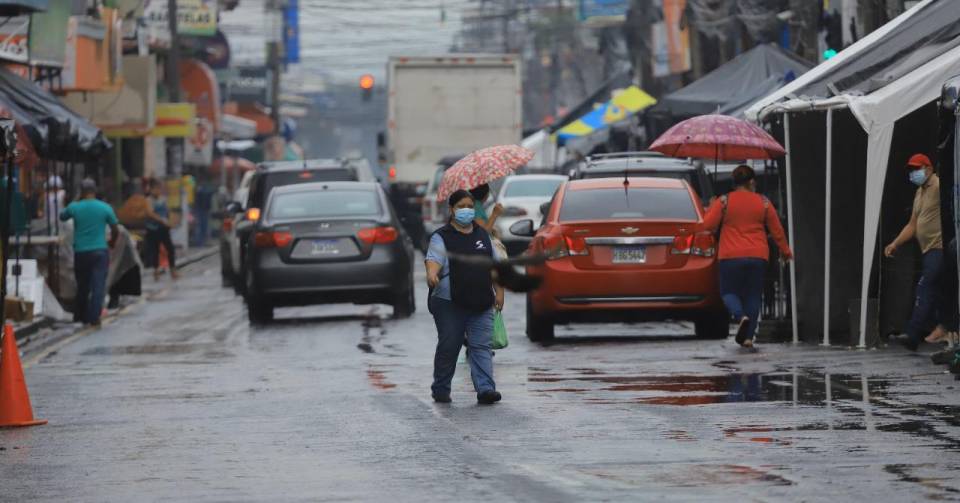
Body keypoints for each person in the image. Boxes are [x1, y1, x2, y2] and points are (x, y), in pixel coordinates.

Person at [425, 190, 505, 405]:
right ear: (451, 210)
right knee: (450, 345)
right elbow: (434, 259)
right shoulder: (441, 237)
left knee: (481, 347)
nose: (467, 210)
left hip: (481, 301)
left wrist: (499, 291)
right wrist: (432, 273)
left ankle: (486, 389)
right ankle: (441, 388)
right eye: (461, 206)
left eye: (470, 205)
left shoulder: (483, 236)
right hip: (449, 302)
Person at [704, 165, 793, 348]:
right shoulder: (764, 202)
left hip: (730, 256)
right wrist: (786, 252)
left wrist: (712, 206)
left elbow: (708, 225)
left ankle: (739, 316)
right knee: (753, 296)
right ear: (751, 181)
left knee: (728, 292)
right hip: (757, 256)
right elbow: (777, 231)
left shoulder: (724, 201)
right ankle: (747, 338)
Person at [885, 154, 944, 351]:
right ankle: (941, 328)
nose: (913, 173)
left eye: (917, 169)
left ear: (929, 168)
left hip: (939, 248)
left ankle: (913, 333)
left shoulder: (938, 186)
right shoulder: (920, 192)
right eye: (911, 170)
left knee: (925, 287)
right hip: (927, 250)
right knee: (935, 291)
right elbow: (913, 225)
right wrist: (895, 244)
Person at [59, 179, 118, 327]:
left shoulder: (75, 207)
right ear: (95, 191)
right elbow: (115, 228)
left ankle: (80, 316)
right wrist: (112, 242)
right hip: (100, 251)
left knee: (83, 286)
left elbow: (62, 216)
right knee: (98, 285)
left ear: (81, 191)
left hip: (81, 252)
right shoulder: (105, 207)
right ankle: (94, 317)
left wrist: (76, 201)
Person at [145, 179, 178, 280]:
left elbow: (168, 211)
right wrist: (161, 220)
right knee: (155, 250)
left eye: (159, 188)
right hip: (153, 229)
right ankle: (156, 272)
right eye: (156, 189)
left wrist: (171, 221)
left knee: (170, 249)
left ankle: (173, 271)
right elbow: (150, 213)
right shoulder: (148, 200)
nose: (158, 191)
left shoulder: (163, 199)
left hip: (164, 229)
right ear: (151, 190)